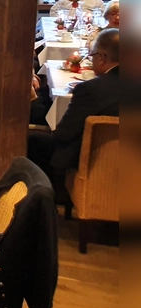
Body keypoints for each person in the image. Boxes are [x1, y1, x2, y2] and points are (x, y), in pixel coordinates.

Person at [27, 29, 119, 199]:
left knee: (34, 141)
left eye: (92, 56)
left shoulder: (91, 90)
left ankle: (48, 199)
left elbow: (63, 133)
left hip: (94, 161)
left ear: (102, 57)